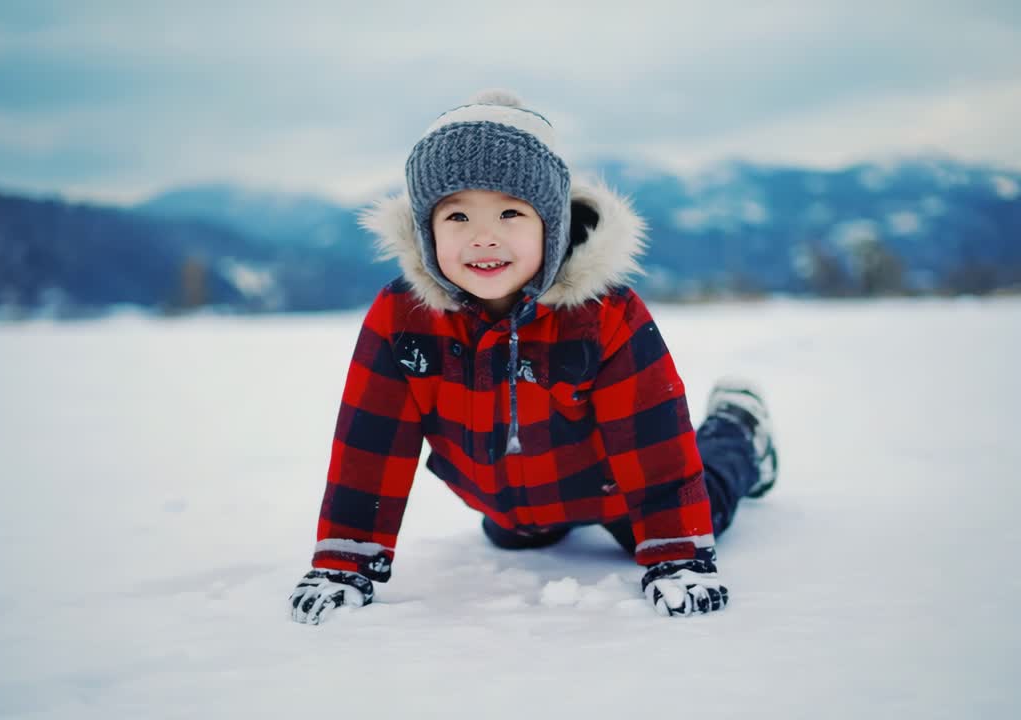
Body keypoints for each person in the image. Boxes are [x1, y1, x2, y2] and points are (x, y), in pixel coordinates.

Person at [289, 89, 778, 624]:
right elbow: (371, 446)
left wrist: (677, 554)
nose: (483, 237)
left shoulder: (603, 314)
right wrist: (344, 561)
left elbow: (654, 441)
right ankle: (528, 519)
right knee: (514, 540)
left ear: (551, 222)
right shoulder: (400, 317)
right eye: (456, 217)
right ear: (426, 231)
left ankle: (738, 429)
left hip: (614, 488)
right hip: (506, 504)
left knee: (708, 497)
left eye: (509, 213)